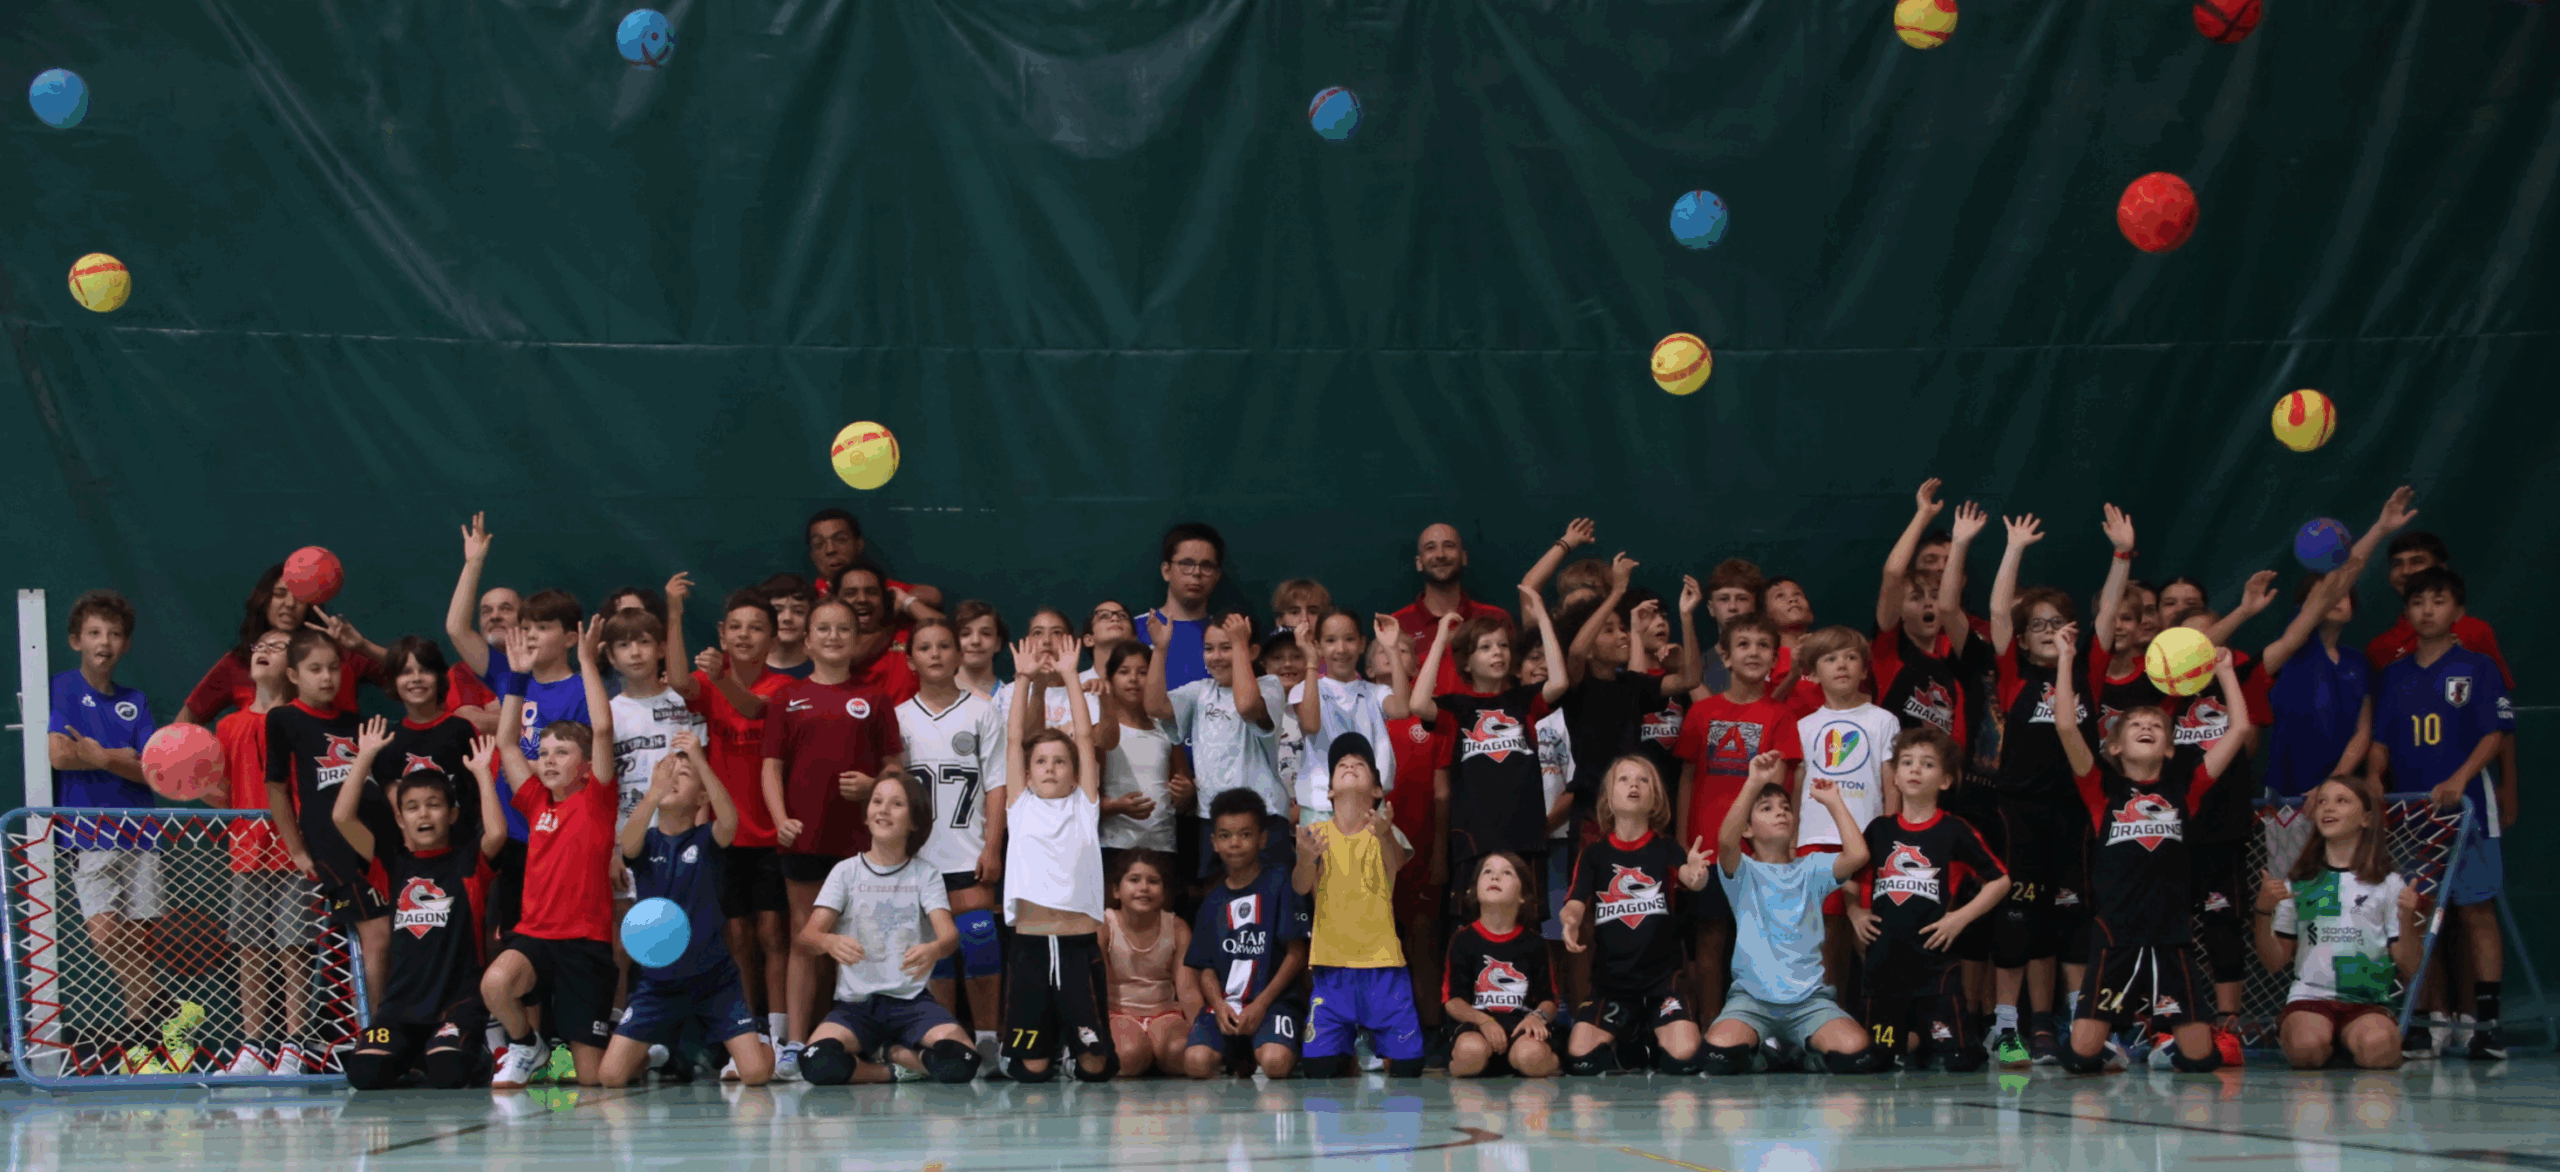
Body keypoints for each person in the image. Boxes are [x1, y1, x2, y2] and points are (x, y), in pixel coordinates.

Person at [2049, 623, 2250, 1074]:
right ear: (2114, 746)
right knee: (2078, 1060)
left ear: (2171, 747)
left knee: (2201, 1062)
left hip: (2171, 939)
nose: (2146, 727)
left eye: (2156, 725)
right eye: (2135, 725)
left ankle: (2165, 1045)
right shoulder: (2101, 789)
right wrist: (2066, 660)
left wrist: (2226, 673)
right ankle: (2112, 1048)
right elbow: (2066, 724)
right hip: (2115, 938)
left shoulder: (2188, 789)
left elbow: (2238, 728)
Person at [759, 598, 909, 1079]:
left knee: (862, 939)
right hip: (804, 840)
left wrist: (872, 788)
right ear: (806, 640)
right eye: (822, 628)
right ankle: (795, 1043)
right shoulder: (787, 697)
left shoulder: (876, 698)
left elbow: (895, 768)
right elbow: (771, 767)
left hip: (861, 844)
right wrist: (780, 818)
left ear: (856, 639)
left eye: (843, 628)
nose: (832, 636)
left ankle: (858, 1041)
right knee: (807, 938)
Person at [2370, 567, 2515, 1060]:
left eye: (2438, 601)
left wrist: (2458, 778)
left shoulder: (2477, 667)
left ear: (2458, 611)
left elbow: (2493, 733)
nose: (2426, 611)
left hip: (2468, 807)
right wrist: (2373, 779)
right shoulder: (2396, 674)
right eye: (2417, 603)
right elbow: (2381, 744)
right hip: (2412, 814)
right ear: (2406, 613)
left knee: (2476, 910)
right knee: (2415, 913)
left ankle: (2487, 1024)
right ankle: (2424, 1021)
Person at [48, 590, 188, 1070]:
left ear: (125, 644)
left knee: (136, 942)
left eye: (113, 634)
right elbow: (59, 754)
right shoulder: (63, 687)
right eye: (93, 633)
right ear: (75, 641)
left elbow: (151, 769)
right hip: (88, 834)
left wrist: (101, 755)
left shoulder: (136, 701)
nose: (103, 642)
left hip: (140, 833)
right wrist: (119, 758)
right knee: (107, 936)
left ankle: (144, 1046)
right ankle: (172, 1009)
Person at [482, 619, 620, 1090]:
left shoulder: (597, 802)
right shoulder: (535, 800)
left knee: (594, 1079)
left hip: (585, 944)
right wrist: (516, 680)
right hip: (536, 936)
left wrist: (585, 663)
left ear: (584, 767)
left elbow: (601, 728)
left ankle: (636, 1045)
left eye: (562, 752)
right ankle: (527, 1045)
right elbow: (505, 742)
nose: (548, 760)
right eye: (544, 752)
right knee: (495, 984)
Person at [1978, 513, 2094, 1068]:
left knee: (2071, 917)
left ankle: (2077, 1025)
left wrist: (2120, 556)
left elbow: (2113, 613)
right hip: (2018, 812)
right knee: (2017, 919)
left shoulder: (2083, 672)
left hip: (2075, 815)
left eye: (2059, 623)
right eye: (2040, 625)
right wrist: (2013, 548)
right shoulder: (2013, 675)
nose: (2050, 631)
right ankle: (2005, 1028)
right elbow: (2000, 610)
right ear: (2023, 640)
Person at [669, 588, 796, 1071]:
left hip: (771, 833)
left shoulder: (781, 688)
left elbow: (752, 711)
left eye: (756, 627)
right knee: (737, 934)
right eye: (735, 627)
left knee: (772, 932)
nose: (745, 635)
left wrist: (721, 680)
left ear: (773, 637)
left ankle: (779, 1033)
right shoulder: (709, 680)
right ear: (722, 634)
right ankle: (748, 1027)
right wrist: (676, 613)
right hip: (726, 833)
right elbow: (680, 681)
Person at [337, 727, 505, 1090]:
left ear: (452, 814)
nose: (423, 814)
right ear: (400, 819)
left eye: (434, 804)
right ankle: (412, 1056)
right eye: (411, 807)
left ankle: (477, 1052)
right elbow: (342, 819)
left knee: (449, 1073)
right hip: (400, 1009)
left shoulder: (470, 864)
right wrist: (364, 757)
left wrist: (481, 774)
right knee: (364, 1074)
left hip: (456, 1005)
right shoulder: (391, 866)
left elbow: (496, 834)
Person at [604, 731, 772, 1087]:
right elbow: (628, 844)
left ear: (701, 797)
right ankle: (653, 1055)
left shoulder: (708, 839)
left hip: (715, 981)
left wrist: (698, 758)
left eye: (684, 775)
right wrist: (653, 790)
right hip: (658, 983)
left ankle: (768, 1043)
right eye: (668, 773)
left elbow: (729, 820)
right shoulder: (646, 842)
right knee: (610, 1077)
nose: (672, 779)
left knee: (755, 1075)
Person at [1701, 753, 1881, 1074]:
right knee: (1719, 1055)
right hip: (1751, 1002)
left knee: (1858, 1055)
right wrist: (1754, 781)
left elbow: (1858, 854)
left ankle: (1804, 1052)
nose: (1780, 812)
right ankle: (1766, 1054)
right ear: (1748, 828)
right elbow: (1725, 839)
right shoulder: (1742, 871)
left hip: (1809, 1002)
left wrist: (1834, 802)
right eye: (1767, 809)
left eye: (1785, 808)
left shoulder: (1812, 868)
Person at [1846, 725, 2010, 1071]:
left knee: (1959, 1061)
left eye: (1927, 764)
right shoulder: (1878, 830)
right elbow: (1848, 878)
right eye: (1906, 762)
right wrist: (1855, 912)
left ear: (1946, 781)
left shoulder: (1954, 830)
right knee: (1875, 1060)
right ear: (1895, 776)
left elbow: (2000, 881)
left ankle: (1932, 1037)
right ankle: (1915, 1040)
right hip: (1883, 972)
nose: (1915, 770)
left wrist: (1959, 918)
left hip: (1935, 971)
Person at [797, 773, 976, 1084]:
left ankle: (898, 1052)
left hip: (913, 1004)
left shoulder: (925, 874)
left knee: (964, 1060)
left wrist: (934, 948)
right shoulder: (846, 872)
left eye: (896, 804)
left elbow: (949, 936)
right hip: (855, 1008)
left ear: (915, 821)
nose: (883, 810)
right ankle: (889, 1068)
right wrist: (828, 941)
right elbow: (806, 937)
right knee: (816, 1061)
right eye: (877, 802)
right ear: (866, 816)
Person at [1670, 613, 1802, 1017]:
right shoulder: (1702, 712)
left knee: (1758, 942)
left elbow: (1781, 789)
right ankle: (1712, 1029)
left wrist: (1781, 848)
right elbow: (1688, 778)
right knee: (1709, 939)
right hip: (1705, 848)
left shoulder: (1780, 716)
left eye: (1764, 645)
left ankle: (1760, 1029)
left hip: (1757, 854)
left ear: (1775, 658)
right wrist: (1681, 841)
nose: (1754, 652)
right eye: (1743, 644)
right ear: (1725, 657)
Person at [895, 617, 1008, 1073]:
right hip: (920, 861)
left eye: (945, 645)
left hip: (969, 852)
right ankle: (950, 1036)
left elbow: (998, 785)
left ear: (959, 655)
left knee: (980, 940)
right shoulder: (899, 716)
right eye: (926, 647)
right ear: (911, 659)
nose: (937, 654)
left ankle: (988, 1040)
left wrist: (993, 846)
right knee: (936, 956)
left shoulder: (982, 711)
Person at [1413, 588, 1567, 919]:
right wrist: (1441, 639)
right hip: (1473, 839)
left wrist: (1542, 618)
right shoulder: (1456, 708)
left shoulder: (1524, 701)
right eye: (1485, 647)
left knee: (1526, 931)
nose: (1497, 653)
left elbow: (1559, 682)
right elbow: (1417, 704)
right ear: (1466, 661)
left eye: (1502, 646)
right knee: (1472, 929)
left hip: (1524, 835)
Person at [998, 648, 1115, 1082]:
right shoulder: (1020, 805)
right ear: (1027, 774)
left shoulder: (1085, 806)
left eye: (1060, 761)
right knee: (1031, 1069)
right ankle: (1049, 1048)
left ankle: (1075, 1045)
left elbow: (1085, 737)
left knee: (1095, 1066)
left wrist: (1070, 676)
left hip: (1076, 946)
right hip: (1029, 944)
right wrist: (1024, 679)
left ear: (1075, 772)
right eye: (1041, 762)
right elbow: (1014, 739)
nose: (1050, 768)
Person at [2253, 779, 2426, 1070]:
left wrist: (2406, 921)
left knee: (2379, 1050)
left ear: (2367, 818)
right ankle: (2321, 1038)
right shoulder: (2297, 881)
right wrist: (2263, 912)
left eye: (2342, 801)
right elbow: (2274, 961)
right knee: (2307, 1049)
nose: (2328, 808)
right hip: (2310, 997)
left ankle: (2350, 1041)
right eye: (2322, 801)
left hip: (2366, 1000)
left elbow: (2410, 966)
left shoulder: (2388, 883)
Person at [263, 630, 392, 1018]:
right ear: (293, 674)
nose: (326, 677)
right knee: (376, 934)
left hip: (378, 844)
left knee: (395, 935)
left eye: (334, 668)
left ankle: (395, 1030)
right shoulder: (284, 719)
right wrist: (298, 850)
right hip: (331, 851)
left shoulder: (359, 723)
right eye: (315, 669)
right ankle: (379, 1034)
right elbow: (277, 789)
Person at [1559, 757, 1712, 1075]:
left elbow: (1690, 877)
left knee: (1685, 1059)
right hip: (1611, 986)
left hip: (1663, 983)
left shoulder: (1667, 849)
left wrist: (1697, 873)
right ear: (1608, 797)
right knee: (1580, 1060)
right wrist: (1570, 921)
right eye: (1624, 779)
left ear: (1655, 797)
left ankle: (1653, 1038)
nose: (1634, 785)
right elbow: (1575, 901)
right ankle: (1629, 1040)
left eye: (1643, 780)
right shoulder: (1595, 854)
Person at [2260, 489, 2415, 798]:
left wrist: (2333, 782)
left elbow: (2362, 731)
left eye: (2345, 594)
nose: (2336, 598)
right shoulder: (2297, 646)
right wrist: (2378, 529)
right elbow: (2342, 576)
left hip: (2342, 789)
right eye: (2326, 594)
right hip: (2288, 791)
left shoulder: (2357, 663)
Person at [1293, 734, 1425, 1078]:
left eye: (1360, 764)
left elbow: (1394, 865)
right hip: (1331, 967)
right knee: (1319, 1070)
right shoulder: (1315, 833)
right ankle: (1348, 1055)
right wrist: (1306, 859)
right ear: (1330, 791)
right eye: (1341, 766)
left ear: (1378, 791)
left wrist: (1382, 834)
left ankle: (1377, 1052)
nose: (1350, 766)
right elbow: (1300, 885)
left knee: (1409, 1068)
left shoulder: (1386, 831)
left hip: (1383, 966)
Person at [217, 630, 311, 1076]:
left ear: (292, 669)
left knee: (294, 947)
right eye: (259, 646)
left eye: (276, 648)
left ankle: (295, 1043)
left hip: (293, 848)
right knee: (250, 948)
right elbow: (223, 791)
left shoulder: (300, 720)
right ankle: (253, 1045)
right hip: (245, 851)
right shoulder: (228, 725)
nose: (263, 652)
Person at [1790, 626, 1904, 991]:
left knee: (1869, 932)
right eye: (1830, 658)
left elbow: (1891, 783)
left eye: (1851, 657)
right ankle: (1827, 1023)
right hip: (1815, 839)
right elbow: (1798, 784)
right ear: (1812, 672)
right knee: (1824, 939)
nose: (1842, 665)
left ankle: (1879, 1020)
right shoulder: (1806, 726)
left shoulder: (1883, 720)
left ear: (1865, 669)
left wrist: (1891, 834)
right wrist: (1793, 841)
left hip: (1866, 840)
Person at [1146, 611, 1293, 875]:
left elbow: (1247, 705)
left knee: (1268, 899)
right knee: (1219, 900)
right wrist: (1160, 649)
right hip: (1213, 819)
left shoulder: (1269, 686)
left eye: (1227, 647)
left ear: (1253, 651)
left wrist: (1239, 646)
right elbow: (1155, 706)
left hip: (1264, 816)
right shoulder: (1202, 690)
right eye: (1209, 648)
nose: (1216, 656)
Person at [1182, 789, 1310, 1080]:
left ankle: (1284, 1045)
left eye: (1245, 834)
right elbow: (1205, 969)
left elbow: (1297, 952)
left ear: (1262, 838)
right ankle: (1238, 1054)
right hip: (1228, 1005)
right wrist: (1218, 1004)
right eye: (1225, 836)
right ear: (1214, 842)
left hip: (1273, 1002)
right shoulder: (1212, 901)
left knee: (1276, 1064)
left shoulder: (1280, 883)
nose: (1235, 843)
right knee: (1195, 1063)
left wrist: (1261, 1004)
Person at [179, 564, 376, 726]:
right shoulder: (240, 661)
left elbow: (400, 668)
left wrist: (362, 645)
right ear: (264, 600)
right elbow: (187, 719)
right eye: (280, 593)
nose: (290, 603)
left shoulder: (338, 653)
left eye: (300, 596)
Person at [1873, 482, 1982, 748]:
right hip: (1898, 772)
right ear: (1899, 606)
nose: (1929, 604)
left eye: (1935, 597)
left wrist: (1960, 542)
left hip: (1946, 775)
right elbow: (1893, 574)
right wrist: (1923, 514)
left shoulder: (1955, 652)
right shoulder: (1890, 649)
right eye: (1916, 598)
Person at [1441, 852, 1560, 1078]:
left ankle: (1554, 1062)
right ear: (1476, 888)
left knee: (1531, 1056)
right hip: (1477, 1028)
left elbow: (1550, 999)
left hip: (1521, 1028)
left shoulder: (1534, 943)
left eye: (1506, 873)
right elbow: (1452, 1001)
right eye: (1488, 872)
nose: (1495, 878)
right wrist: (1484, 1021)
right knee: (1470, 1052)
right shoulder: (1463, 940)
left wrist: (1537, 1017)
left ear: (1523, 895)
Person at [1290, 609, 1404, 819]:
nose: (1341, 649)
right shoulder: (1306, 688)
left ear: (1362, 644)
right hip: (1320, 807)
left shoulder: (1376, 692)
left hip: (1370, 808)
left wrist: (1392, 649)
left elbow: (1402, 709)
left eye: (1349, 639)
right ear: (1318, 646)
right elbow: (1310, 725)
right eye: (1330, 640)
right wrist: (1312, 662)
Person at [372, 638, 485, 845]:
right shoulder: (388, 743)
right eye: (406, 672)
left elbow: (480, 793)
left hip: (467, 849)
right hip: (419, 859)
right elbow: (398, 813)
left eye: (425, 670)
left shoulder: (461, 729)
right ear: (393, 681)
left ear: (439, 678)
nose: (416, 678)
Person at [1103, 851, 1197, 1077]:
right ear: (1116, 890)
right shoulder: (1104, 925)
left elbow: (1188, 989)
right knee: (1128, 1056)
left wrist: (1203, 1037)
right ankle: (1143, 1052)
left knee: (1183, 1055)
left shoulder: (1177, 927)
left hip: (1164, 1014)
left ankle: (1154, 1052)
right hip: (1118, 1014)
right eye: (1134, 880)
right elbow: (1096, 990)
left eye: (1153, 881)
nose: (1144, 887)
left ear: (1164, 892)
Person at [1393, 523, 1515, 698]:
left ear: (1464, 557)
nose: (1440, 555)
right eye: (1430, 548)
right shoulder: (1397, 624)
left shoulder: (1496, 618)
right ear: (1419, 563)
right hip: (1419, 723)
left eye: (1449, 546)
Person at [1097, 641, 1180, 859]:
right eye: (1124, 672)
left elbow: (1182, 786)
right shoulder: (1101, 732)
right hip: (1115, 845)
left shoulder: (1166, 730)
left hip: (1163, 846)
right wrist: (1116, 806)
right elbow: (1087, 796)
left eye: (1143, 672)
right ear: (1109, 679)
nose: (1133, 679)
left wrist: (1186, 791)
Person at [803, 507, 944, 619]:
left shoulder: (875, 587)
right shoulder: (806, 598)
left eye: (840, 540)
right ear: (812, 555)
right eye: (819, 544)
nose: (830, 550)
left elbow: (932, 595)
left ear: (859, 545)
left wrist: (886, 604)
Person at [1140, 522, 1229, 690]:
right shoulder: (1134, 630)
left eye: (1206, 566)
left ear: (1217, 576)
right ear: (1166, 571)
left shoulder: (1227, 634)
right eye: (1186, 564)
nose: (1196, 573)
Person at [832, 564, 923, 703]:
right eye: (850, 593)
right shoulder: (823, 641)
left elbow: (948, 633)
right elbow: (852, 657)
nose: (862, 599)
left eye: (871, 592)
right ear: (835, 600)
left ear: (884, 598)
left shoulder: (910, 634)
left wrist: (906, 601)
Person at [760, 574, 819, 679]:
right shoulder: (747, 670)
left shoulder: (823, 671)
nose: (787, 618)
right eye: (777, 610)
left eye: (799, 611)